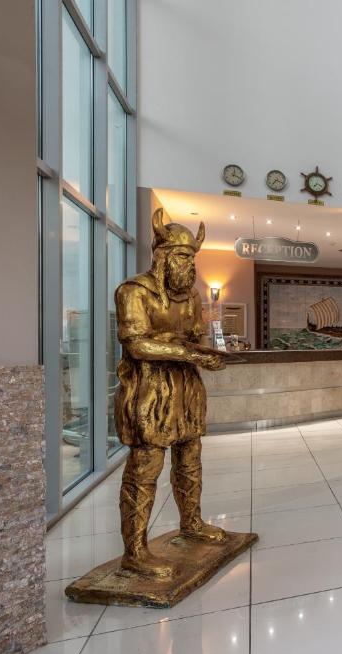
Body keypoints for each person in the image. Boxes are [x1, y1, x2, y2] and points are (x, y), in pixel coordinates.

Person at [113, 208, 228, 577]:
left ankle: (191, 523)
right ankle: (134, 551)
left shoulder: (191, 297)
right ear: (161, 257)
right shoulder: (133, 292)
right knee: (145, 468)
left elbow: (194, 337)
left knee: (190, 459)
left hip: (186, 388)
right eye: (181, 257)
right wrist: (188, 353)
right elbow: (136, 344)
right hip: (149, 391)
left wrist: (207, 355)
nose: (188, 265)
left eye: (191, 258)